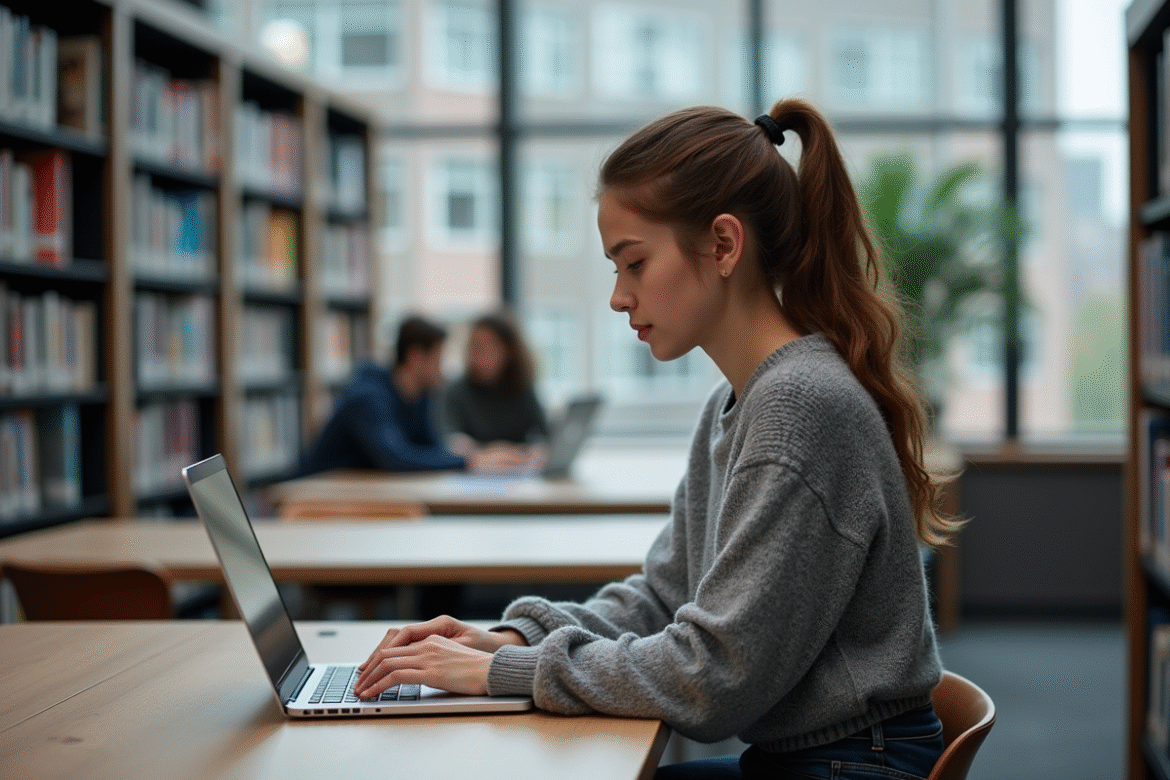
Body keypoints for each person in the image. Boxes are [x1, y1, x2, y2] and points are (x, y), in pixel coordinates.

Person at [351, 99, 963, 780]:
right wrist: (512, 636)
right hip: (806, 756)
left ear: (725, 245)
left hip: (852, 767)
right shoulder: (737, 402)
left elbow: (710, 681)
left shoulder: (799, 408)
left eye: (633, 263)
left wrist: (505, 671)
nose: (618, 296)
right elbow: (664, 598)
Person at [300, 314, 530, 475]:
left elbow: (430, 449)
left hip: (361, 496)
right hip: (318, 500)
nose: (443, 370)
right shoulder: (368, 398)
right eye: (438, 360)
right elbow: (396, 458)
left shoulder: (420, 397)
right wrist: (471, 461)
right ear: (416, 358)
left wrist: (475, 453)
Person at [442, 311, 549, 458]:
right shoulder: (456, 391)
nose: (479, 354)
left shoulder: (522, 387)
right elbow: (449, 437)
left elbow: (543, 432)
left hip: (519, 469)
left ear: (509, 350)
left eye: (488, 346)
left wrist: (533, 450)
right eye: (475, 346)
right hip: (474, 471)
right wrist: (488, 451)